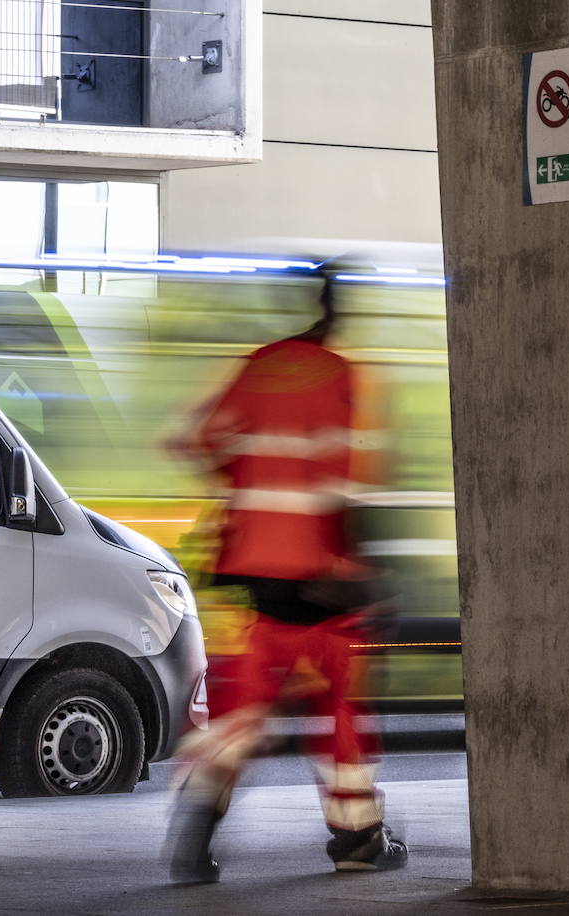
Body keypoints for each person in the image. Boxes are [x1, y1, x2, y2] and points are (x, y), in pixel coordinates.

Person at [165, 272, 408, 883]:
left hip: (249, 574)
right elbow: (344, 482)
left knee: (240, 710)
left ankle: (195, 833)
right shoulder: (339, 373)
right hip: (320, 576)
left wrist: (244, 487)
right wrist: (367, 572)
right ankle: (356, 839)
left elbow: (195, 440)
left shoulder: (258, 365)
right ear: (335, 313)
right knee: (341, 707)